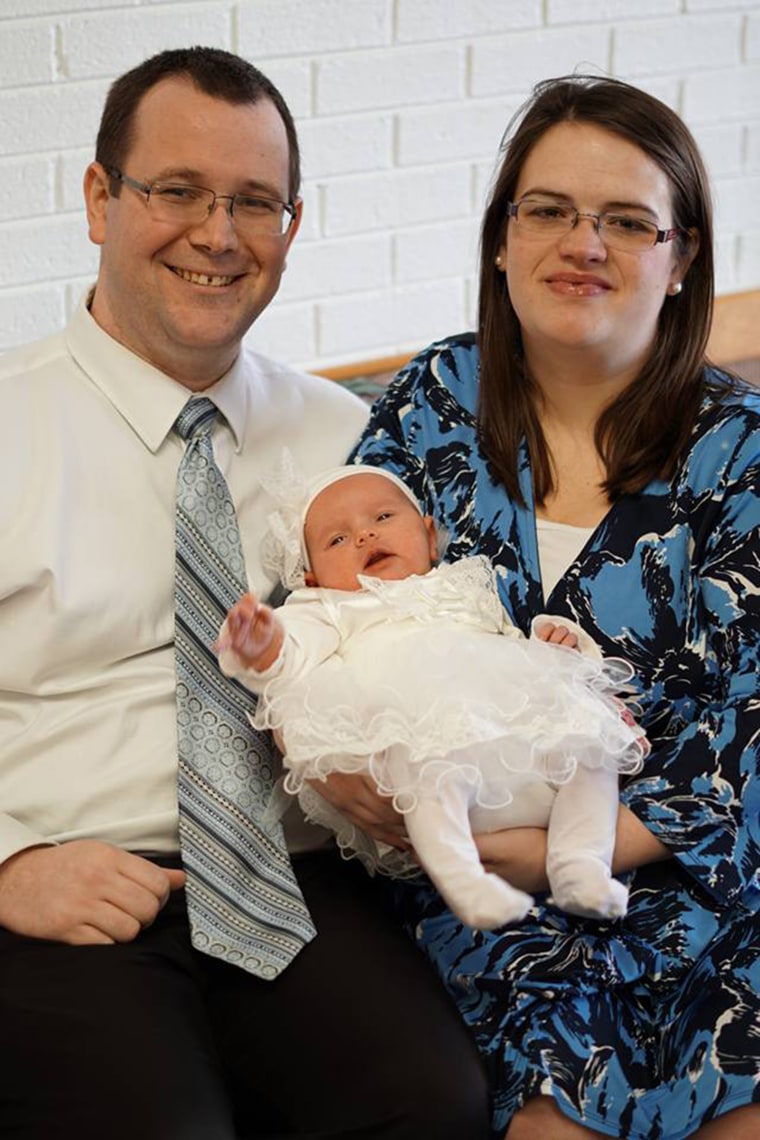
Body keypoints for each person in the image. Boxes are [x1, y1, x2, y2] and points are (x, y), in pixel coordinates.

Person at [0, 47, 490, 1140]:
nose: (218, 235)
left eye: (254, 203)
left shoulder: (351, 443)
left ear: (290, 226)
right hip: (62, 881)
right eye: (176, 191)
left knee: (433, 1106)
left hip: (293, 878)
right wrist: (6, 867)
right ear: (97, 199)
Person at [349, 75, 760, 1139]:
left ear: (680, 264)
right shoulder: (427, 407)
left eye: (628, 221)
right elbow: (338, 609)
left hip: (705, 886)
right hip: (478, 895)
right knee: (550, 1119)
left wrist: (582, 847)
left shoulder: (745, 452)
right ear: (500, 241)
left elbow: (751, 727)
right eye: (550, 210)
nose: (585, 243)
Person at [217, 463, 648, 930]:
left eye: (382, 517)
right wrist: (263, 645)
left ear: (428, 536)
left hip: (512, 750)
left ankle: (579, 864)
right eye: (337, 540)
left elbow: (509, 645)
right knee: (428, 766)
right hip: (430, 749)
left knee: (591, 748)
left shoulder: (463, 586)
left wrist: (553, 643)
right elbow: (291, 657)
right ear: (313, 578)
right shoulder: (329, 608)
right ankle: (465, 881)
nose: (364, 536)